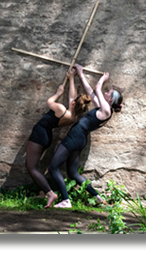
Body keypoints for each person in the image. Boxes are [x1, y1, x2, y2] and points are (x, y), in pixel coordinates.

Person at [48, 63, 123, 208]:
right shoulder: (104, 109)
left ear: (110, 100)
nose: (106, 93)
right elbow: (92, 92)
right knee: (72, 173)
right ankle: (98, 197)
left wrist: (103, 78)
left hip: (75, 137)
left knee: (53, 167)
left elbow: (96, 89)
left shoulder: (106, 110)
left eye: (109, 93)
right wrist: (81, 74)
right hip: (80, 139)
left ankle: (65, 200)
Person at [26, 68, 91, 208]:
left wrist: (58, 93)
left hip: (40, 134)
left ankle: (50, 193)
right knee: (35, 166)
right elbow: (71, 99)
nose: (71, 100)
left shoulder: (61, 109)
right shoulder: (73, 116)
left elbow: (49, 102)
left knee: (31, 167)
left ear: (74, 104)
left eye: (73, 101)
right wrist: (72, 78)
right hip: (47, 136)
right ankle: (43, 192)